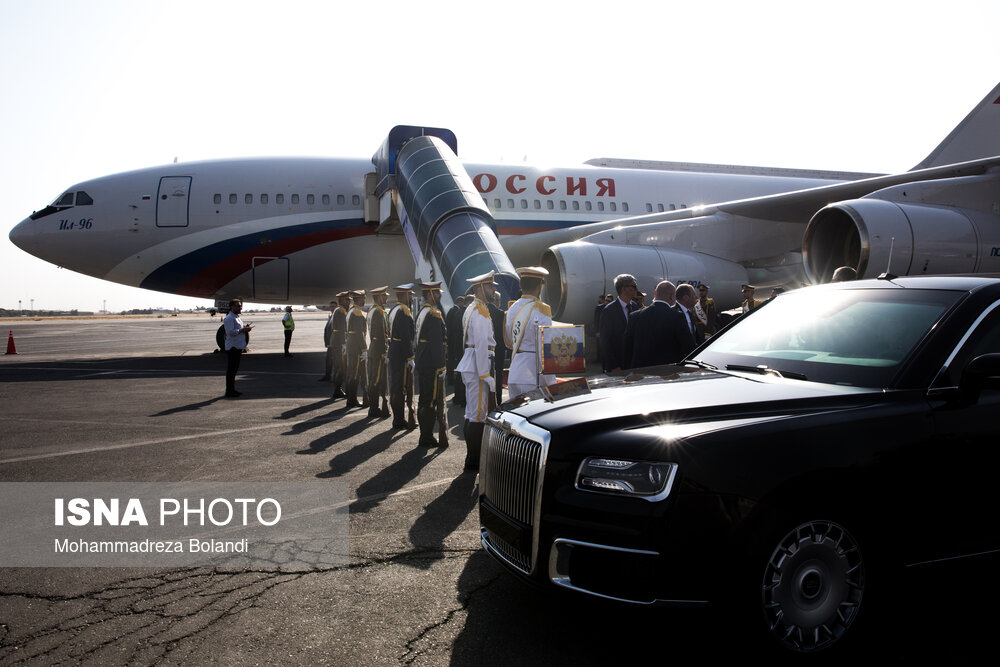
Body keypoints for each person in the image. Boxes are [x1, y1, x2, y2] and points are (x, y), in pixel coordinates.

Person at [457, 271, 497, 469]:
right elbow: (481, 344)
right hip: (477, 364)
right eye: (490, 287)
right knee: (478, 415)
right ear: (480, 289)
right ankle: (473, 461)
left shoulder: (474, 308)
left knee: (471, 413)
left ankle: (471, 459)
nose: (493, 290)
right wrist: (485, 374)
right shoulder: (479, 310)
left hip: (472, 362)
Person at [504, 266, 556, 399]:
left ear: (520, 284)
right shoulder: (542, 309)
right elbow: (545, 348)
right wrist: (551, 381)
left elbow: (510, 341)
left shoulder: (511, 308)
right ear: (540, 285)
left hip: (515, 371)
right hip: (533, 375)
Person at [622, 281, 694, 369]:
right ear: (672, 296)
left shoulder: (634, 316)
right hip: (667, 373)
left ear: (655, 293)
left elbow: (627, 348)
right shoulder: (677, 317)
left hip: (640, 372)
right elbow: (689, 347)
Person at [415, 281, 449, 448]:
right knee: (430, 401)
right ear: (429, 294)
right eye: (436, 293)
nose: (439, 295)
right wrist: (441, 366)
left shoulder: (422, 312)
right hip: (431, 364)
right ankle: (426, 436)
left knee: (424, 399)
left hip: (423, 362)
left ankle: (424, 434)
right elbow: (436, 344)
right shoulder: (434, 314)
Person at [387, 284, 416, 430]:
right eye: (410, 295)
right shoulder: (404, 311)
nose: (411, 297)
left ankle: (397, 419)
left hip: (394, 349)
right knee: (400, 387)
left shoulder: (393, 309)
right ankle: (398, 420)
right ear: (405, 295)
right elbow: (405, 336)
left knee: (396, 386)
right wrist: (410, 356)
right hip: (401, 352)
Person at [599, 274, 639, 372]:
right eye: (633, 286)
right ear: (623, 288)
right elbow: (605, 340)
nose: (636, 289)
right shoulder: (609, 311)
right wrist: (613, 365)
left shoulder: (635, 307)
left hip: (633, 364)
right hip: (617, 366)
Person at [366, 286, 391, 419]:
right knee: (375, 381)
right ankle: (374, 409)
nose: (387, 298)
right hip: (378, 350)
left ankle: (374, 408)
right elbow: (379, 334)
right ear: (379, 297)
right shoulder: (378, 312)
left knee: (374, 379)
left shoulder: (372, 310)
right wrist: (384, 352)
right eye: (385, 296)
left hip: (373, 349)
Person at [223, 298, 253, 397]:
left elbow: (237, 329)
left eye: (240, 305)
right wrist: (242, 330)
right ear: (232, 307)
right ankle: (229, 391)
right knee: (231, 370)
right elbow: (230, 332)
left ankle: (232, 389)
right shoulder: (229, 318)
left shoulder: (236, 317)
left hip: (238, 346)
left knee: (234, 370)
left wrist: (244, 329)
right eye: (238, 305)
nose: (240, 307)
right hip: (233, 347)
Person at [344, 290, 368, 409]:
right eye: (364, 298)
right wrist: (364, 349)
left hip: (351, 345)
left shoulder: (350, 311)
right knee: (355, 374)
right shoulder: (357, 312)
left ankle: (351, 399)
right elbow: (359, 333)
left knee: (352, 372)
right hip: (356, 347)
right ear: (359, 299)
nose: (365, 301)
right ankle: (351, 400)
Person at [446, 295, 467, 407]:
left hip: (455, 345)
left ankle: (457, 396)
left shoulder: (455, 312)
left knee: (458, 370)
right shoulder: (460, 313)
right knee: (461, 373)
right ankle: (461, 397)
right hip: (461, 346)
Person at [329, 291, 350, 399]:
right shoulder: (341, 312)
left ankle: (338, 389)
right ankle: (337, 390)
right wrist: (344, 344)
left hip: (336, 341)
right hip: (339, 343)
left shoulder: (339, 310)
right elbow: (342, 329)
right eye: (347, 300)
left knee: (339, 367)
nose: (349, 302)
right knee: (340, 367)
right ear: (341, 300)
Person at [489, 290, 507, 404]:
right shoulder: (500, 314)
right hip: (498, 348)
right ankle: (498, 400)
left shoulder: (482, 310)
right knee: (498, 375)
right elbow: (503, 334)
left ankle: (488, 400)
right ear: (497, 300)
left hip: (486, 349)